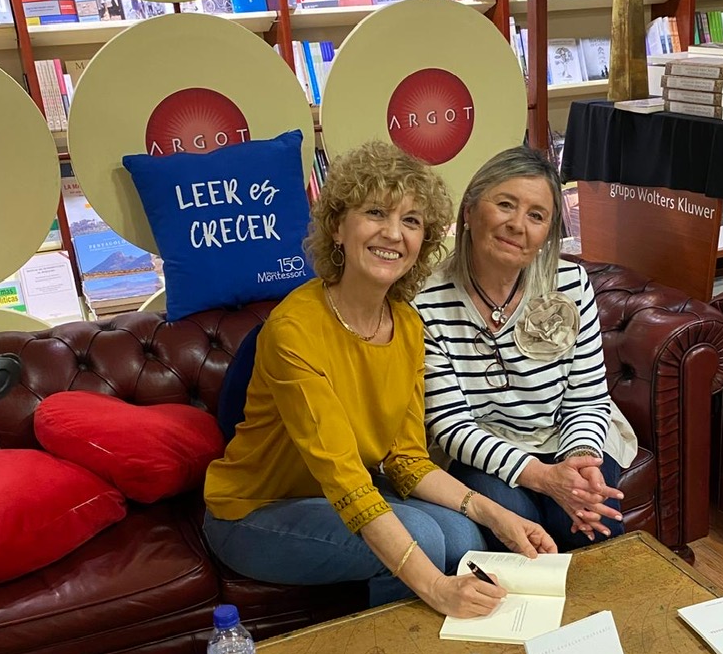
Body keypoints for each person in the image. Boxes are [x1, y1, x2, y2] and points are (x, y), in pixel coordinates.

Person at [203, 140, 556, 617]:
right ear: (337, 226)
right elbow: (346, 480)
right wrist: (436, 588)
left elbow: (406, 460)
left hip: (335, 495)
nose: (393, 233)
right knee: (426, 537)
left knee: (464, 534)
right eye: (375, 213)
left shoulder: (407, 324)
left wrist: (499, 516)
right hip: (254, 510)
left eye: (411, 221)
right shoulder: (294, 329)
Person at [414, 145, 637, 551]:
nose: (518, 225)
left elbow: (587, 398)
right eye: (505, 204)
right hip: (481, 448)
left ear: (548, 233)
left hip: (569, 434)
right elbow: (451, 425)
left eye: (536, 216)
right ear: (469, 211)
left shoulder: (570, 283)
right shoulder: (426, 301)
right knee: (520, 529)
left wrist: (581, 461)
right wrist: (543, 477)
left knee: (593, 522)